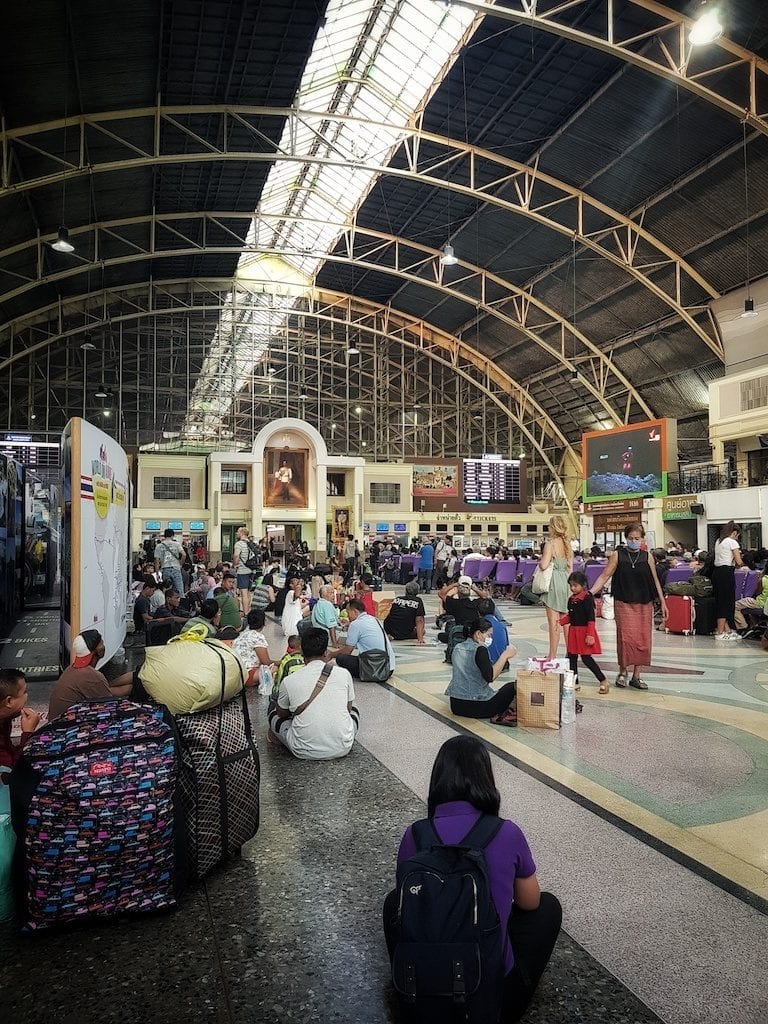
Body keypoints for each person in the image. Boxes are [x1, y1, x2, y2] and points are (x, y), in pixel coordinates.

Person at [384, 736, 561, 1022]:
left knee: (395, 903)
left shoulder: (415, 834)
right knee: (547, 907)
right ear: (486, 780)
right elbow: (530, 902)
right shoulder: (507, 832)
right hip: (491, 1001)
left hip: (422, 993)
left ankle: (407, 978)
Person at [589, 522, 668, 690]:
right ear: (626, 539)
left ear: (642, 539)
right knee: (625, 638)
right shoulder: (618, 555)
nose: (634, 541)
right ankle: (623, 672)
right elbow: (604, 576)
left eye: (637, 538)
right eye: (631, 538)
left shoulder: (648, 557)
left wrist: (663, 601)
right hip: (623, 602)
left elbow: (655, 580)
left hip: (644, 603)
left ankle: (637, 676)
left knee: (643, 640)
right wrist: (590, 592)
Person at [268, 627, 359, 760]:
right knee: (355, 710)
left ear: (302, 651)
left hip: (302, 749)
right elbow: (348, 708)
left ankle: (275, 736)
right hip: (343, 747)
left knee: (273, 710)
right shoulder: (344, 674)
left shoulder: (289, 681)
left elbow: (282, 713)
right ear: (326, 652)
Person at [48, 631, 134, 720]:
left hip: (59, 719)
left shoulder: (72, 668)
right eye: (102, 643)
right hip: (64, 724)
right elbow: (109, 704)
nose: (104, 646)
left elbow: (106, 691)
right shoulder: (92, 676)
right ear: (98, 650)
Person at [445, 618, 517, 722]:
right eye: (489, 635)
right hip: (477, 706)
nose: (490, 638)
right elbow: (490, 676)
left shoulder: (458, 647)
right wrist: (505, 656)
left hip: (456, 705)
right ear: (478, 634)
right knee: (512, 686)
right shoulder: (479, 649)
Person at [560, 572, 608, 694]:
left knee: (586, 658)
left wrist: (590, 634)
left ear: (583, 585)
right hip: (573, 631)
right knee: (572, 658)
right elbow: (571, 616)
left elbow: (591, 618)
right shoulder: (571, 599)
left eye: (575, 585)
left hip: (584, 631)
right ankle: (574, 683)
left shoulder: (587, 599)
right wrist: (560, 622)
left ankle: (603, 680)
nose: (572, 588)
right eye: (571, 585)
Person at [329, 598, 395, 679]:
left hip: (376, 669)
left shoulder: (355, 624)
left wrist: (331, 655)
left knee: (341, 658)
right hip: (389, 667)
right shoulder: (374, 619)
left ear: (355, 612)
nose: (347, 615)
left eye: (348, 612)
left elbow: (347, 651)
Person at [538, 515, 572, 661]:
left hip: (553, 583)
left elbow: (544, 565)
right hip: (566, 582)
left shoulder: (550, 544)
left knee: (554, 623)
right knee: (566, 621)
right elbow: (570, 568)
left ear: (553, 527)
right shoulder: (567, 545)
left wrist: (541, 562)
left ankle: (552, 655)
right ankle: (571, 653)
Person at [0, 669, 41, 772]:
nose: (27, 696)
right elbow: (16, 770)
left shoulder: (5, 718)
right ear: (9, 701)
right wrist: (28, 733)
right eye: (24, 692)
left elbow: (10, 752)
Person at [713, 520, 744, 640]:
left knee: (721, 600)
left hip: (717, 573)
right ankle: (720, 632)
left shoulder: (719, 541)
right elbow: (738, 561)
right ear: (735, 532)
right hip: (726, 573)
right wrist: (742, 565)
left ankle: (727, 630)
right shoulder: (732, 542)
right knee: (727, 602)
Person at [233, 608, 276, 677]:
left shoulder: (243, 633)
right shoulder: (258, 637)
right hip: (247, 674)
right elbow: (266, 662)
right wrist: (279, 662)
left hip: (235, 671)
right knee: (274, 668)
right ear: (263, 622)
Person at [475, 598, 509, 665]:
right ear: (494, 611)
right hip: (501, 663)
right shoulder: (502, 626)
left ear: (478, 612)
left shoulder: (478, 626)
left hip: (486, 664)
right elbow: (506, 645)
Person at [153, 527, 186, 596]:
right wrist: (180, 564)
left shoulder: (159, 546)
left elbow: (157, 561)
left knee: (167, 591)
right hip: (176, 569)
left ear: (164, 536)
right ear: (172, 535)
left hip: (165, 569)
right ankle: (180, 605)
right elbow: (184, 554)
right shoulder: (176, 544)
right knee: (179, 591)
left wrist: (157, 573)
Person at [232, 526, 255, 618]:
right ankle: (248, 609)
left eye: (237, 532)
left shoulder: (239, 544)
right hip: (252, 570)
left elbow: (236, 555)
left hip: (243, 571)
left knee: (243, 594)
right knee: (248, 593)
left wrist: (235, 564)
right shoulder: (251, 543)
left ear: (242, 533)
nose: (236, 533)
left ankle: (246, 613)